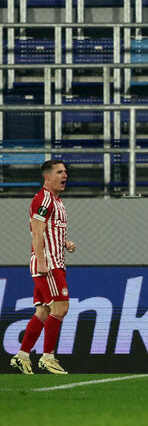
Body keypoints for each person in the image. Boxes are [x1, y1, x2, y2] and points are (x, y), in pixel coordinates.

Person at [10, 159, 76, 375]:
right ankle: (48, 357)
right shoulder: (43, 199)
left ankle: (22, 356)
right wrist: (41, 260)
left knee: (44, 311)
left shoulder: (58, 202)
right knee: (61, 308)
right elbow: (37, 232)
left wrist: (65, 243)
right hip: (48, 264)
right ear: (47, 176)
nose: (64, 175)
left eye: (65, 171)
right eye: (59, 172)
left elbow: (50, 232)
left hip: (53, 261)